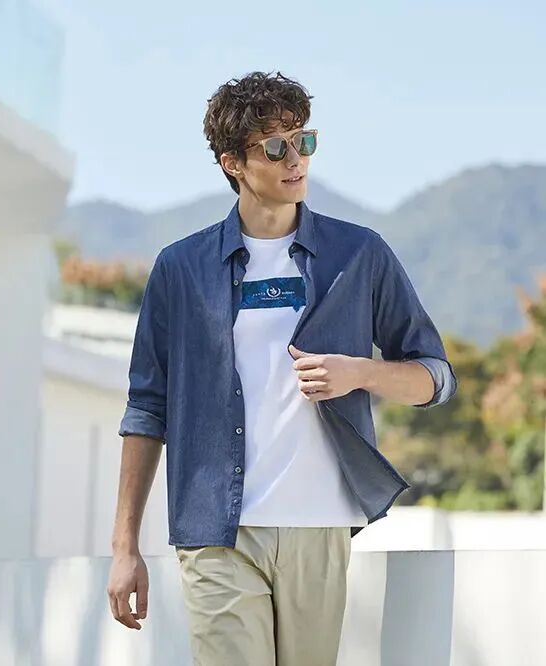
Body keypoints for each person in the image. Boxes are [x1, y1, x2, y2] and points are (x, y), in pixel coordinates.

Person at [107, 70, 457, 665]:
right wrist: (124, 547)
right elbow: (147, 408)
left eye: (303, 141)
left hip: (319, 522)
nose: (296, 160)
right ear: (233, 164)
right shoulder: (181, 268)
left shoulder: (359, 254)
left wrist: (361, 373)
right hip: (216, 529)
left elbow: (435, 377)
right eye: (275, 147)